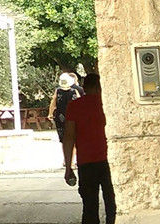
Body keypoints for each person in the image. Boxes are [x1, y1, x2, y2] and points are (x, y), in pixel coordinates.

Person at [63, 73, 116, 224]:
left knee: (90, 207)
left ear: (84, 87)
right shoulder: (107, 104)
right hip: (109, 160)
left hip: (86, 163)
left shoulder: (74, 106)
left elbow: (69, 138)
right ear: (100, 86)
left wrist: (68, 167)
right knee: (113, 204)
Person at [47, 72, 81, 143]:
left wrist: (50, 113)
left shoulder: (58, 90)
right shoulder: (75, 91)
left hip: (60, 116)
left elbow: (53, 103)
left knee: (63, 136)